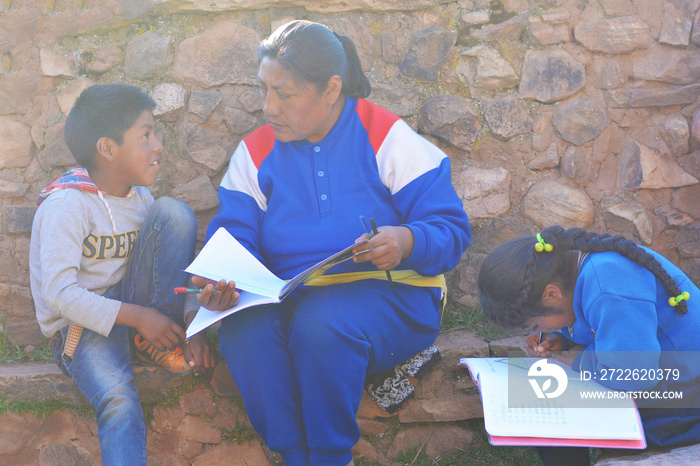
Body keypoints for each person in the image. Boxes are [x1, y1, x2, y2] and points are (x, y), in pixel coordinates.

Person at [191, 20, 471, 466]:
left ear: (330, 88)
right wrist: (225, 277)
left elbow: (451, 230)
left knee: (322, 323)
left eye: (284, 94)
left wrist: (406, 239)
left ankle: (330, 455)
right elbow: (235, 233)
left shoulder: (384, 135)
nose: (268, 107)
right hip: (289, 296)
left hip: (395, 294)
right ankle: (295, 454)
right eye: (264, 90)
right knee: (245, 332)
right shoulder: (256, 152)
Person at [29, 83, 215, 465]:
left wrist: (192, 320)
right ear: (108, 149)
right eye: (145, 135)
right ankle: (148, 336)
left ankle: (156, 340)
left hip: (135, 315)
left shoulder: (140, 199)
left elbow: (179, 270)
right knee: (119, 402)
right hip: (82, 330)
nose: (158, 145)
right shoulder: (66, 205)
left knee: (175, 213)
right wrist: (140, 317)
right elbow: (60, 295)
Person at [478, 225, 700, 464]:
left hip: (686, 395)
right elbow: (596, 324)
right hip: (668, 380)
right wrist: (562, 339)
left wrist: (580, 360)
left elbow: (638, 376)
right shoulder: (577, 271)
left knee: (555, 413)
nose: (540, 332)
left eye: (535, 325)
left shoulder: (609, 285)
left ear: (551, 295)